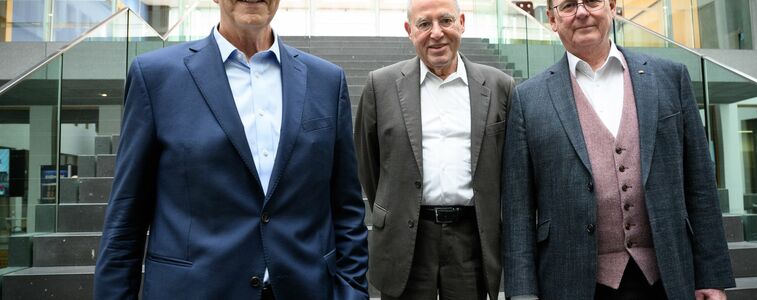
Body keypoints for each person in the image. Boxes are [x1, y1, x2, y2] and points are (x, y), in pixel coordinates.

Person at [93, 0, 368, 299]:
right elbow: (127, 214)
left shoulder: (326, 81)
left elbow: (346, 208)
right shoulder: (156, 77)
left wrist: (352, 291)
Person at [502, 0, 734, 299]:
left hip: (666, 277)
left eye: (592, 2)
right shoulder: (527, 99)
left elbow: (700, 185)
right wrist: (522, 293)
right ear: (552, 19)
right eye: (569, 5)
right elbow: (518, 209)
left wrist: (711, 277)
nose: (582, 12)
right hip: (570, 281)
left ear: (611, 6)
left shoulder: (670, 78)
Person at [355, 0, 514, 299]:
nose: (436, 33)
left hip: (471, 241)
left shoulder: (499, 86)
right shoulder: (380, 85)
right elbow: (369, 164)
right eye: (424, 24)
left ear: (462, 23)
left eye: (445, 21)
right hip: (406, 240)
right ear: (409, 30)